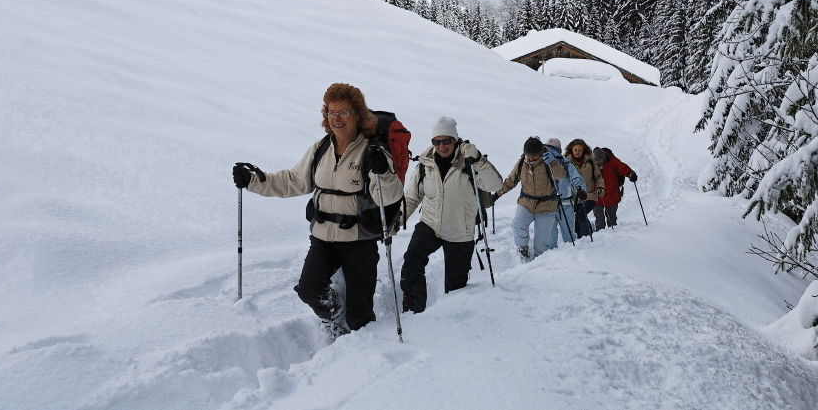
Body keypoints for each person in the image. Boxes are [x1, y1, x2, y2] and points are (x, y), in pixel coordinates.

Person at [232, 83, 403, 338]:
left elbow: (389, 196)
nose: (336, 119)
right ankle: (335, 317)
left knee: (360, 316)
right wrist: (253, 181)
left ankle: (363, 350)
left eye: (343, 112)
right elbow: (294, 180)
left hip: (359, 240)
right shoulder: (321, 148)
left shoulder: (372, 151)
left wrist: (384, 172)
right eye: (331, 113)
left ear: (358, 114)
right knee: (309, 290)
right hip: (323, 237)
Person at [399, 117, 503, 313]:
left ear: (455, 140)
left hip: (459, 230)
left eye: (446, 140)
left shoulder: (469, 161)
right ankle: (413, 312)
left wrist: (478, 159)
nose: (441, 146)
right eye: (436, 141)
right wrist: (395, 222)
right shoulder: (425, 164)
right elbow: (412, 198)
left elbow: (495, 184)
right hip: (430, 224)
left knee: (456, 285)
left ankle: (451, 320)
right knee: (412, 262)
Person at [493, 136, 567, 262]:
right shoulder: (523, 162)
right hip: (526, 203)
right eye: (528, 155)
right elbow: (511, 181)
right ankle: (522, 248)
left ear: (540, 152)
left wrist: (553, 163)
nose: (531, 158)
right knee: (518, 224)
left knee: (541, 243)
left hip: (547, 206)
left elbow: (561, 175)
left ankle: (539, 262)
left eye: (534, 156)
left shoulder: (549, 161)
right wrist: (496, 195)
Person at [543, 138, 587, 247]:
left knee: (567, 236)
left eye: (553, 149)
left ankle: (568, 254)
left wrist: (580, 189)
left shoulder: (565, 162)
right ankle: (552, 256)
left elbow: (575, 177)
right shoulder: (543, 163)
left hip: (562, 204)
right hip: (551, 204)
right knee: (552, 237)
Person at [564, 139, 605, 237]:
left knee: (581, 215)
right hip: (575, 197)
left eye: (579, 150)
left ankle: (588, 237)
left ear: (583, 151)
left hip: (590, 195)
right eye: (575, 150)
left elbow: (598, 176)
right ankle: (580, 239)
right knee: (578, 218)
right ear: (571, 150)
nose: (577, 152)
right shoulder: (566, 162)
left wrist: (600, 187)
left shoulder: (590, 161)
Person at [593, 147, 637, 231]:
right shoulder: (590, 165)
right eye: (597, 160)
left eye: (601, 160)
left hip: (612, 195)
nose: (600, 162)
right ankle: (600, 238)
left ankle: (614, 236)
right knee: (599, 221)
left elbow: (622, 167)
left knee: (612, 220)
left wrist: (630, 173)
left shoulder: (612, 161)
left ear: (604, 157)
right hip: (597, 197)